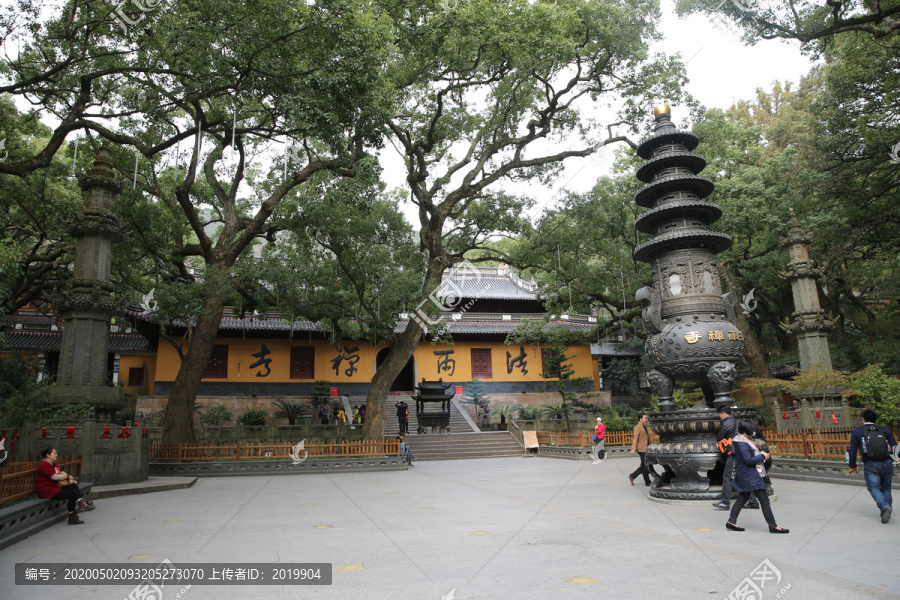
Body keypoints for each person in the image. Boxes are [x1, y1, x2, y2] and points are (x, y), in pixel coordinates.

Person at [726, 420, 788, 534]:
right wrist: (763, 456)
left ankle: (731, 521)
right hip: (751, 475)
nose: (754, 432)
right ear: (747, 431)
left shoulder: (741, 441)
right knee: (764, 500)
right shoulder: (743, 443)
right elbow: (748, 460)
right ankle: (773, 526)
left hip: (746, 474)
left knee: (742, 498)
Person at [847, 408, 897, 523]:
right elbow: (895, 446)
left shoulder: (858, 431)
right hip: (887, 463)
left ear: (863, 419)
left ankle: (884, 507)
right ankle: (887, 509)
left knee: (874, 487)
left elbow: (853, 449)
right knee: (886, 488)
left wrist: (852, 465)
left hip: (871, 464)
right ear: (875, 419)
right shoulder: (884, 430)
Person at [35, 446, 95, 525]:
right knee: (71, 495)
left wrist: (67, 476)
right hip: (47, 490)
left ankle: (80, 503)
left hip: (54, 487)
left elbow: (60, 472)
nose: (56, 455)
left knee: (73, 485)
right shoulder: (44, 465)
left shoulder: (52, 464)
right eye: (54, 453)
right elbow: (54, 477)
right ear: (48, 455)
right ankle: (74, 515)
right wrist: (66, 477)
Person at [712, 406, 738, 510]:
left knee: (727, 476)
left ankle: (725, 501)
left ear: (723, 413)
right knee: (742, 475)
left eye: (720, 415)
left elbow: (719, 437)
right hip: (741, 449)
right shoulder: (737, 421)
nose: (720, 417)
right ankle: (753, 500)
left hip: (733, 451)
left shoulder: (726, 423)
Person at [629, 413, 651, 486]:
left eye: (647, 418)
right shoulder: (637, 427)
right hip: (641, 449)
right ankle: (647, 482)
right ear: (640, 419)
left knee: (645, 464)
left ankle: (633, 475)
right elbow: (635, 438)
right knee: (645, 465)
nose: (646, 420)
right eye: (645, 418)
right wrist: (633, 449)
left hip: (646, 448)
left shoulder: (644, 427)